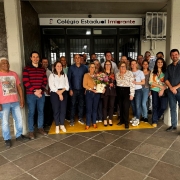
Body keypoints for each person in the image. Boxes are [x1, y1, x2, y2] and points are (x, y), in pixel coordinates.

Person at [0, 57, 28, 148]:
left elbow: (19, 87)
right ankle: (7, 139)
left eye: (7, 63)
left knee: (19, 119)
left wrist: (22, 99)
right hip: (3, 103)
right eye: (3, 63)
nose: (6, 65)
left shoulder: (14, 74)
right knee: (5, 122)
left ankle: (19, 135)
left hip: (15, 101)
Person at [23, 51, 47, 140]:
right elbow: (26, 81)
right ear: (31, 58)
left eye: (37, 57)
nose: (35, 58)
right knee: (31, 112)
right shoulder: (27, 68)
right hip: (31, 95)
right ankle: (31, 131)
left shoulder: (42, 69)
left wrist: (41, 90)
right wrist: (34, 91)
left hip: (41, 94)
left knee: (41, 111)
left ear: (39, 58)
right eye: (34, 57)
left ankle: (40, 128)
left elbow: (45, 81)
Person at [49, 61, 69, 133]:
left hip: (63, 93)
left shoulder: (64, 75)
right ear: (55, 67)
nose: (59, 67)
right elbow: (51, 86)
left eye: (60, 66)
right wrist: (59, 93)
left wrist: (61, 92)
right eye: (57, 66)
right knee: (56, 110)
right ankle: (57, 125)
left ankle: (62, 124)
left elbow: (67, 86)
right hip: (55, 94)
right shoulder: (52, 75)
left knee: (63, 110)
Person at [68, 54, 88, 126]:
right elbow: (69, 79)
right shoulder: (71, 68)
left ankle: (80, 118)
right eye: (75, 58)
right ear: (74, 59)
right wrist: (70, 89)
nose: (77, 59)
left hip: (82, 90)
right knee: (73, 105)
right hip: (74, 90)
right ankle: (72, 119)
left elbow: (87, 79)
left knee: (81, 104)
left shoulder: (85, 68)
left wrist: (86, 88)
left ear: (81, 59)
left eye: (78, 57)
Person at [149, 57, 168, 127]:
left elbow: (168, 82)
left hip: (164, 91)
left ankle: (157, 117)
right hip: (154, 90)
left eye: (161, 62)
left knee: (163, 106)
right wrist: (160, 87)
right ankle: (154, 121)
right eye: (158, 62)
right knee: (155, 105)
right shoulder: (153, 71)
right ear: (156, 63)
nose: (160, 63)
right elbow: (150, 82)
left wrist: (162, 90)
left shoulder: (166, 71)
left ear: (163, 63)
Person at [116, 61, 135, 129]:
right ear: (119, 67)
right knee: (120, 106)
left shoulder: (130, 73)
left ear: (126, 67)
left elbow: (132, 84)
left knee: (126, 107)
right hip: (119, 91)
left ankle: (126, 122)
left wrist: (132, 94)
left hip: (127, 91)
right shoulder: (117, 74)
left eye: (124, 66)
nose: (123, 68)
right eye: (121, 66)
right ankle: (122, 121)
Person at [165, 49, 180, 131]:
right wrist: (171, 87)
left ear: (179, 55)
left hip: (179, 91)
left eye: (176, 54)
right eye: (173, 55)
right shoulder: (169, 67)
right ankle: (173, 125)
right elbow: (166, 79)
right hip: (171, 92)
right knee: (172, 108)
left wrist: (175, 87)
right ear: (171, 56)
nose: (174, 56)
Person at [83, 63, 100, 129]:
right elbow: (84, 85)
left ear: (95, 68)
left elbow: (99, 84)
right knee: (88, 109)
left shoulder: (97, 76)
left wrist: (101, 88)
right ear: (89, 68)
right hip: (89, 93)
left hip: (96, 93)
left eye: (93, 67)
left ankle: (94, 122)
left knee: (95, 109)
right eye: (91, 67)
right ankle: (87, 123)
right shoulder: (86, 75)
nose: (92, 68)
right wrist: (92, 89)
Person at [130, 60, 145, 126]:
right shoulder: (129, 72)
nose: (133, 65)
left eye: (134, 64)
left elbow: (143, 82)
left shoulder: (140, 72)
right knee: (133, 105)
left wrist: (136, 83)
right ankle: (135, 116)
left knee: (137, 105)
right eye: (131, 64)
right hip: (131, 91)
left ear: (136, 64)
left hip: (138, 90)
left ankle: (137, 119)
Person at [102, 60, 116, 126]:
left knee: (111, 106)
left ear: (111, 66)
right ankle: (105, 119)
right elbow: (100, 83)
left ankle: (110, 119)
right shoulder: (102, 74)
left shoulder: (113, 74)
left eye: (109, 64)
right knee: (105, 106)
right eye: (106, 64)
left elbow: (116, 83)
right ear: (104, 66)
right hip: (105, 91)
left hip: (112, 92)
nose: (108, 66)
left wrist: (113, 84)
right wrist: (107, 85)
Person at [41, 58, 53, 127]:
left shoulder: (50, 72)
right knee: (42, 109)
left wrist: (49, 90)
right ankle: (43, 122)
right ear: (41, 63)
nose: (45, 63)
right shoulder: (39, 71)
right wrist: (45, 90)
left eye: (46, 62)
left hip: (49, 94)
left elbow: (50, 83)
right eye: (43, 62)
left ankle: (48, 122)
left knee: (49, 108)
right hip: (42, 93)